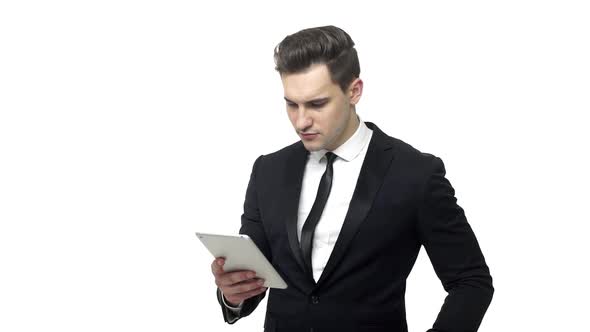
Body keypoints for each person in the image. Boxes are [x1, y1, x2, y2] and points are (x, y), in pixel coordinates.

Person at [210, 25, 493, 332]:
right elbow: (253, 278)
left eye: (317, 104)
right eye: (292, 104)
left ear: (354, 91)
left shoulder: (415, 174)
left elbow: (471, 281)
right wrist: (232, 294)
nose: (301, 120)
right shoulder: (268, 170)